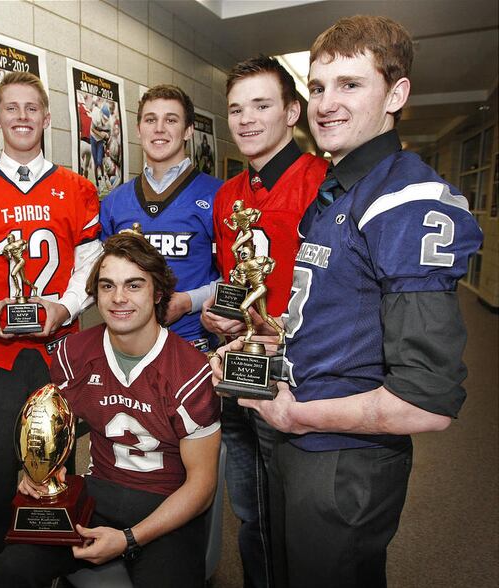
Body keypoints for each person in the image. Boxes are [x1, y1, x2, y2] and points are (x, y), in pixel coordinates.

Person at [220, 16, 483, 588]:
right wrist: (274, 340)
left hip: (342, 456)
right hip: (305, 441)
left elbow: (426, 400)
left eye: (350, 85)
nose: (325, 103)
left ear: (397, 94)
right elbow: (344, 312)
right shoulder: (342, 187)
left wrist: (297, 414)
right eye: (317, 87)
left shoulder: (403, 200)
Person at [0, 232, 222, 588]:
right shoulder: (73, 354)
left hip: (166, 506)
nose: (119, 298)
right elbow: (54, 427)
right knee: (11, 570)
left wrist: (129, 538)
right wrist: (40, 473)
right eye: (107, 286)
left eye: (134, 285)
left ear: (158, 293)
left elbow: (202, 486)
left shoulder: (190, 372)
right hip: (98, 493)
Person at [0, 71, 102, 566]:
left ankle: (53, 556)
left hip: (61, 349)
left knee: (58, 455)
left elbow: (90, 262)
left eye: (32, 108)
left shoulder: (77, 188)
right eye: (11, 108)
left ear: (47, 117)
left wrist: (65, 306)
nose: (22, 117)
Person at [202, 55, 328, 588]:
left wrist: (290, 331)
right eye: (236, 109)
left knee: (299, 520)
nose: (246, 119)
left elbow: (346, 290)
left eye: (261, 105)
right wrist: (221, 313)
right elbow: (236, 278)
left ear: (292, 112)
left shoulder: (323, 183)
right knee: (250, 512)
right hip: (239, 374)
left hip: (300, 378)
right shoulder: (229, 195)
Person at [101, 84, 222, 353]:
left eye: (171, 120)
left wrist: (189, 301)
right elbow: (101, 277)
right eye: (150, 119)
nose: (159, 129)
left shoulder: (219, 196)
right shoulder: (114, 202)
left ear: (188, 130)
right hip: (127, 348)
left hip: (192, 346)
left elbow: (237, 278)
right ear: (138, 129)